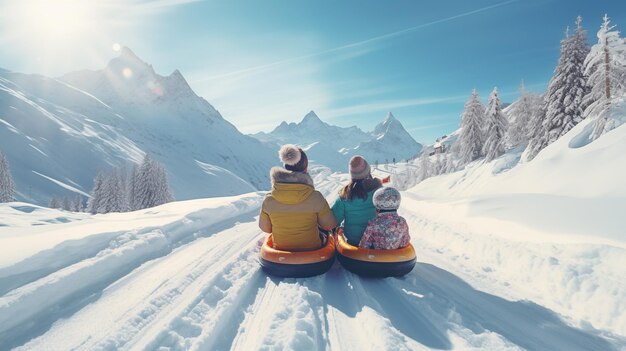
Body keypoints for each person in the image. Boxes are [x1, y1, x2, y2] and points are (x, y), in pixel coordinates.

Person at [259, 144, 337, 251]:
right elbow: (329, 225)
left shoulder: (269, 199)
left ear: (285, 165)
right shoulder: (316, 197)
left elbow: (266, 228)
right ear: (305, 168)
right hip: (312, 250)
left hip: (280, 250)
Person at [331, 155, 383, 246]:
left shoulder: (345, 196)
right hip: (377, 241)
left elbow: (333, 221)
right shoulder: (379, 192)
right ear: (368, 170)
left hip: (353, 243)